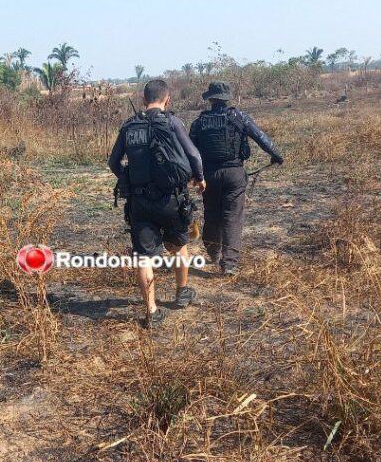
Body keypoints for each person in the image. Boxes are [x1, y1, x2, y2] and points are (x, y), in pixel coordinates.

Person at [108, 79, 206, 327]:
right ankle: (182, 292)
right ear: (167, 100)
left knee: (143, 258)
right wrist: (200, 178)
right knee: (179, 245)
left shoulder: (129, 126)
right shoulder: (172, 122)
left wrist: (127, 178)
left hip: (139, 202)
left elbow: (113, 162)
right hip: (172, 199)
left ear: (143, 100)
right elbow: (194, 155)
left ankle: (151, 311)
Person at [189, 81, 284, 275]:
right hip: (234, 175)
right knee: (232, 217)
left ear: (211, 99)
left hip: (209, 176)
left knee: (212, 214)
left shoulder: (199, 122)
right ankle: (230, 264)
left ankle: (214, 252)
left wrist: (193, 175)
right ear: (227, 99)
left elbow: (190, 151)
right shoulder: (239, 116)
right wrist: (276, 155)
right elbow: (261, 138)